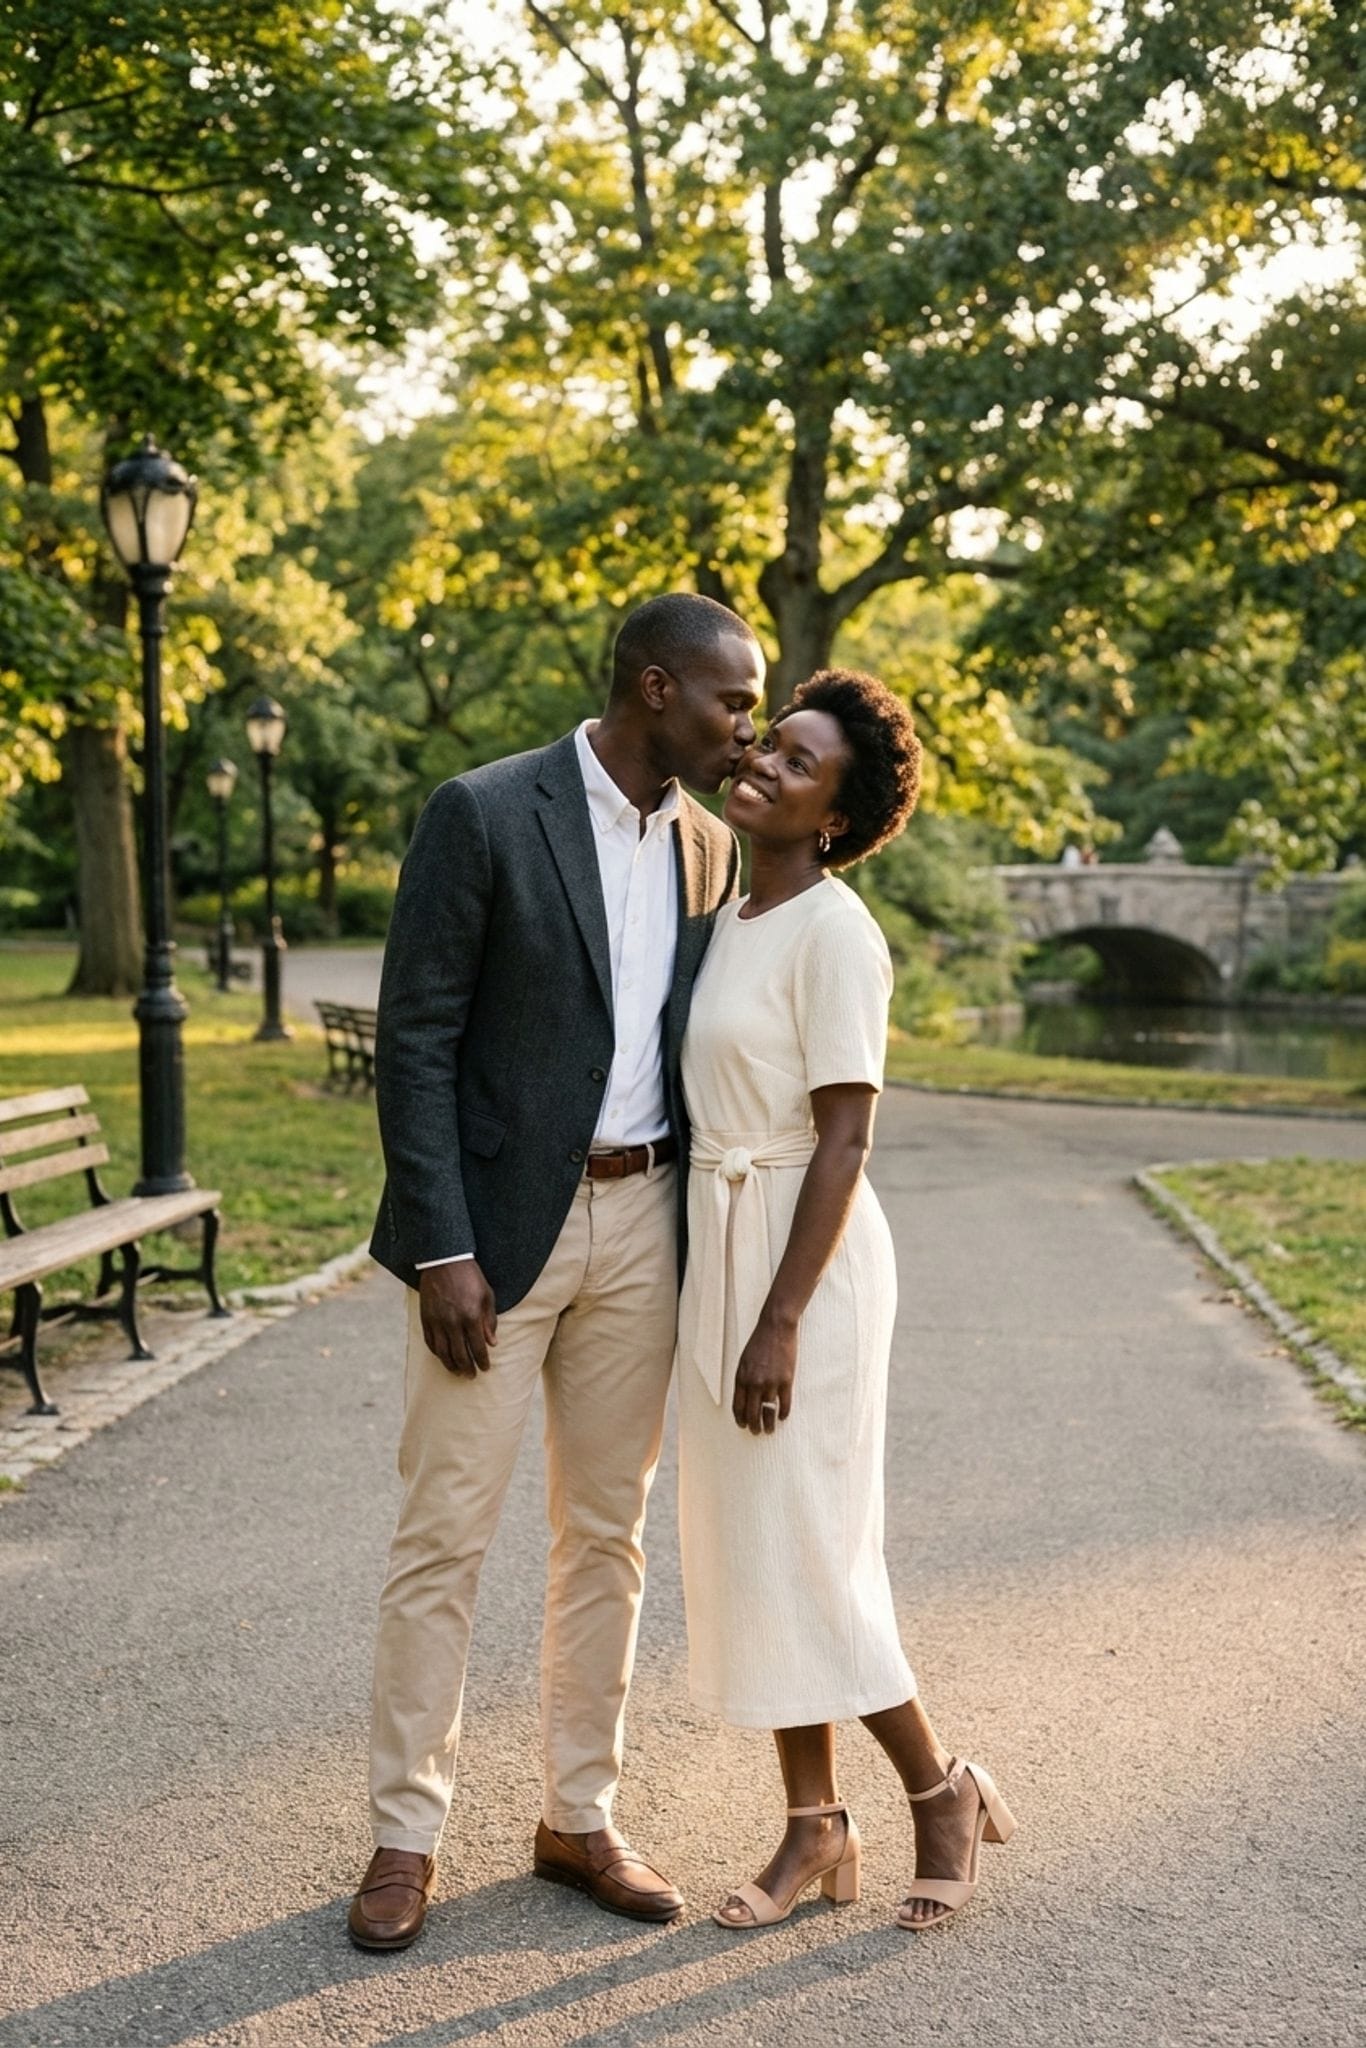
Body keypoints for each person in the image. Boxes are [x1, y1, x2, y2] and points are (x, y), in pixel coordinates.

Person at [351, 593, 765, 1950]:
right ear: (656, 689)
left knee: (607, 1537)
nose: (743, 727)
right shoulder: (481, 811)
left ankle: (577, 1816)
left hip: (646, 1224)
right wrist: (443, 1245)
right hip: (491, 1242)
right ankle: (405, 1835)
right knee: (443, 1538)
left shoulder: (711, 846)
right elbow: (415, 1037)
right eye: (731, 700)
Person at [675, 668, 1017, 1934]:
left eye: (799, 762)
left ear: (831, 814)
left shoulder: (836, 930)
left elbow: (844, 1140)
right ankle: (814, 1827)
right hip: (722, 1246)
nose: (762, 759)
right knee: (755, 1551)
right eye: (769, 741)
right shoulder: (725, 912)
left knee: (814, 1548)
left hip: (801, 1269)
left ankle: (939, 1789)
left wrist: (776, 1318)